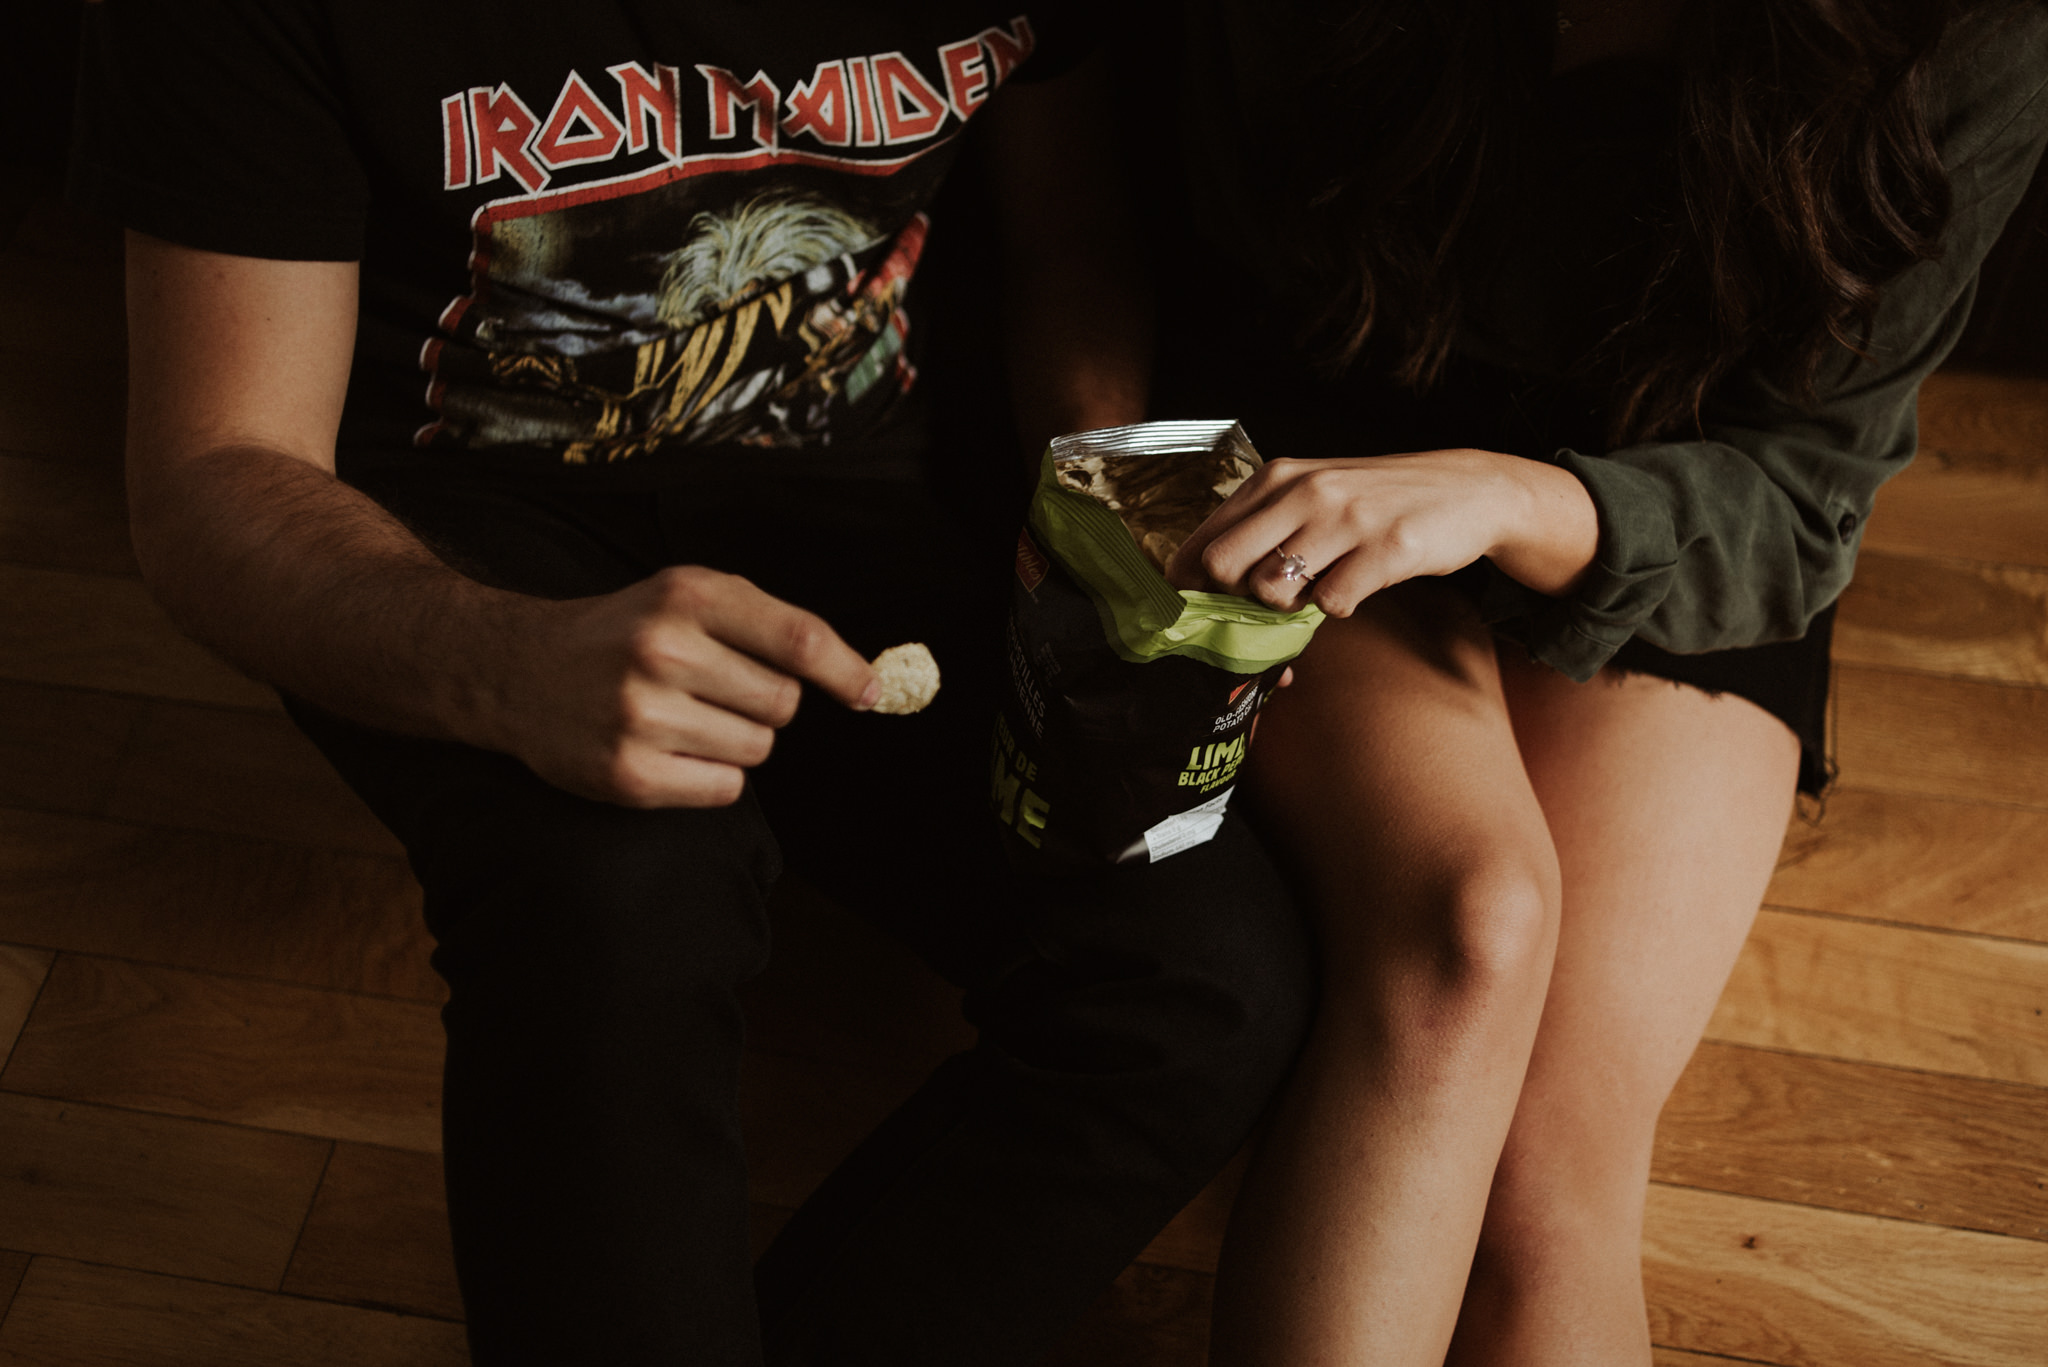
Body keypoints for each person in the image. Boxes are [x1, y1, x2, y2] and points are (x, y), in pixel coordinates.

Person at [70, 2, 1314, 1363]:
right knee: (628, 893)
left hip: (861, 504)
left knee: (1212, 980)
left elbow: (1066, 231)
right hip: (450, 517)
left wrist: (1110, 505)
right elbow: (210, 483)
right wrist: (506, 664)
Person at [1140, 0, 2048, 1363]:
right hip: (1302, 408)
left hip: (1680, 475)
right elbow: (1136, 229)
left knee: (1548, 1185)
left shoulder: (1970, 33)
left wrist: (1514, 497)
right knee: (1475, 927)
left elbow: (1801, 496)